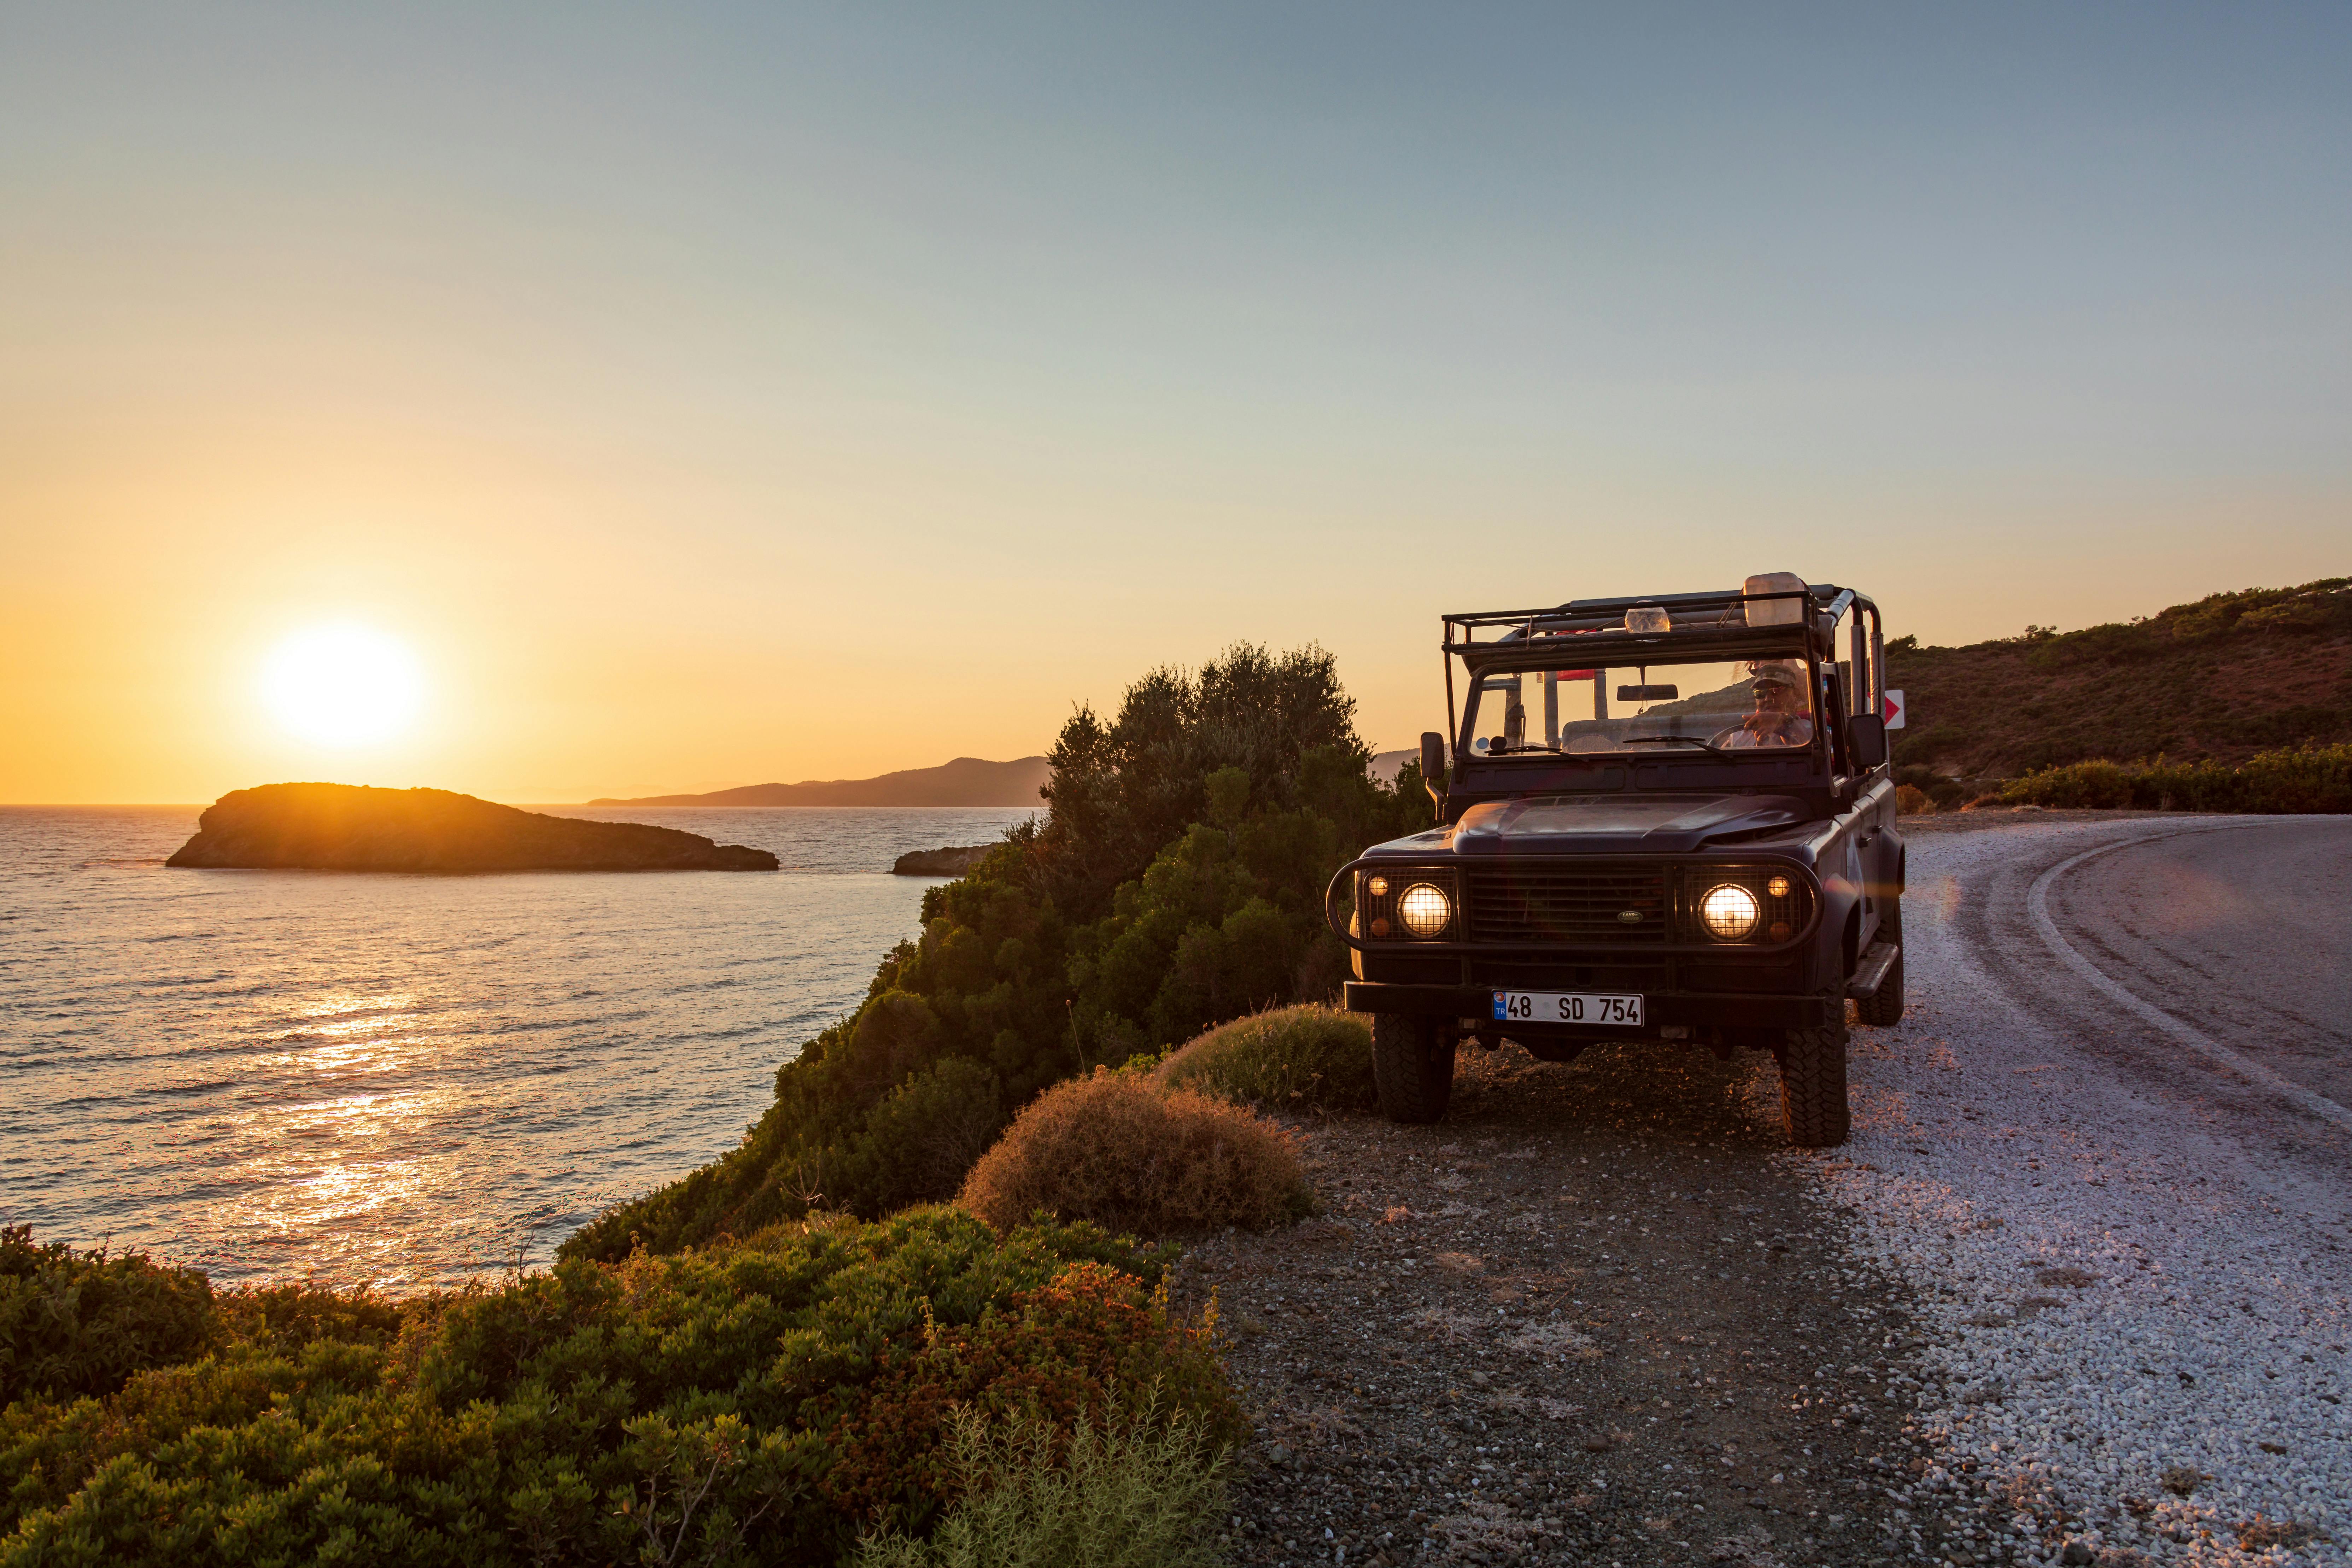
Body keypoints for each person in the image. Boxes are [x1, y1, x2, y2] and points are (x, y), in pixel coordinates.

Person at [1715, 659, 1814, 749]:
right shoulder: (1738, 738)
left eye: (1778, 690)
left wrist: (1786, 724)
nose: (1768, 699)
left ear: (1795, 696)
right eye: (1760, 693)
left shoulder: (1812, 732)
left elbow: (1813, 755)